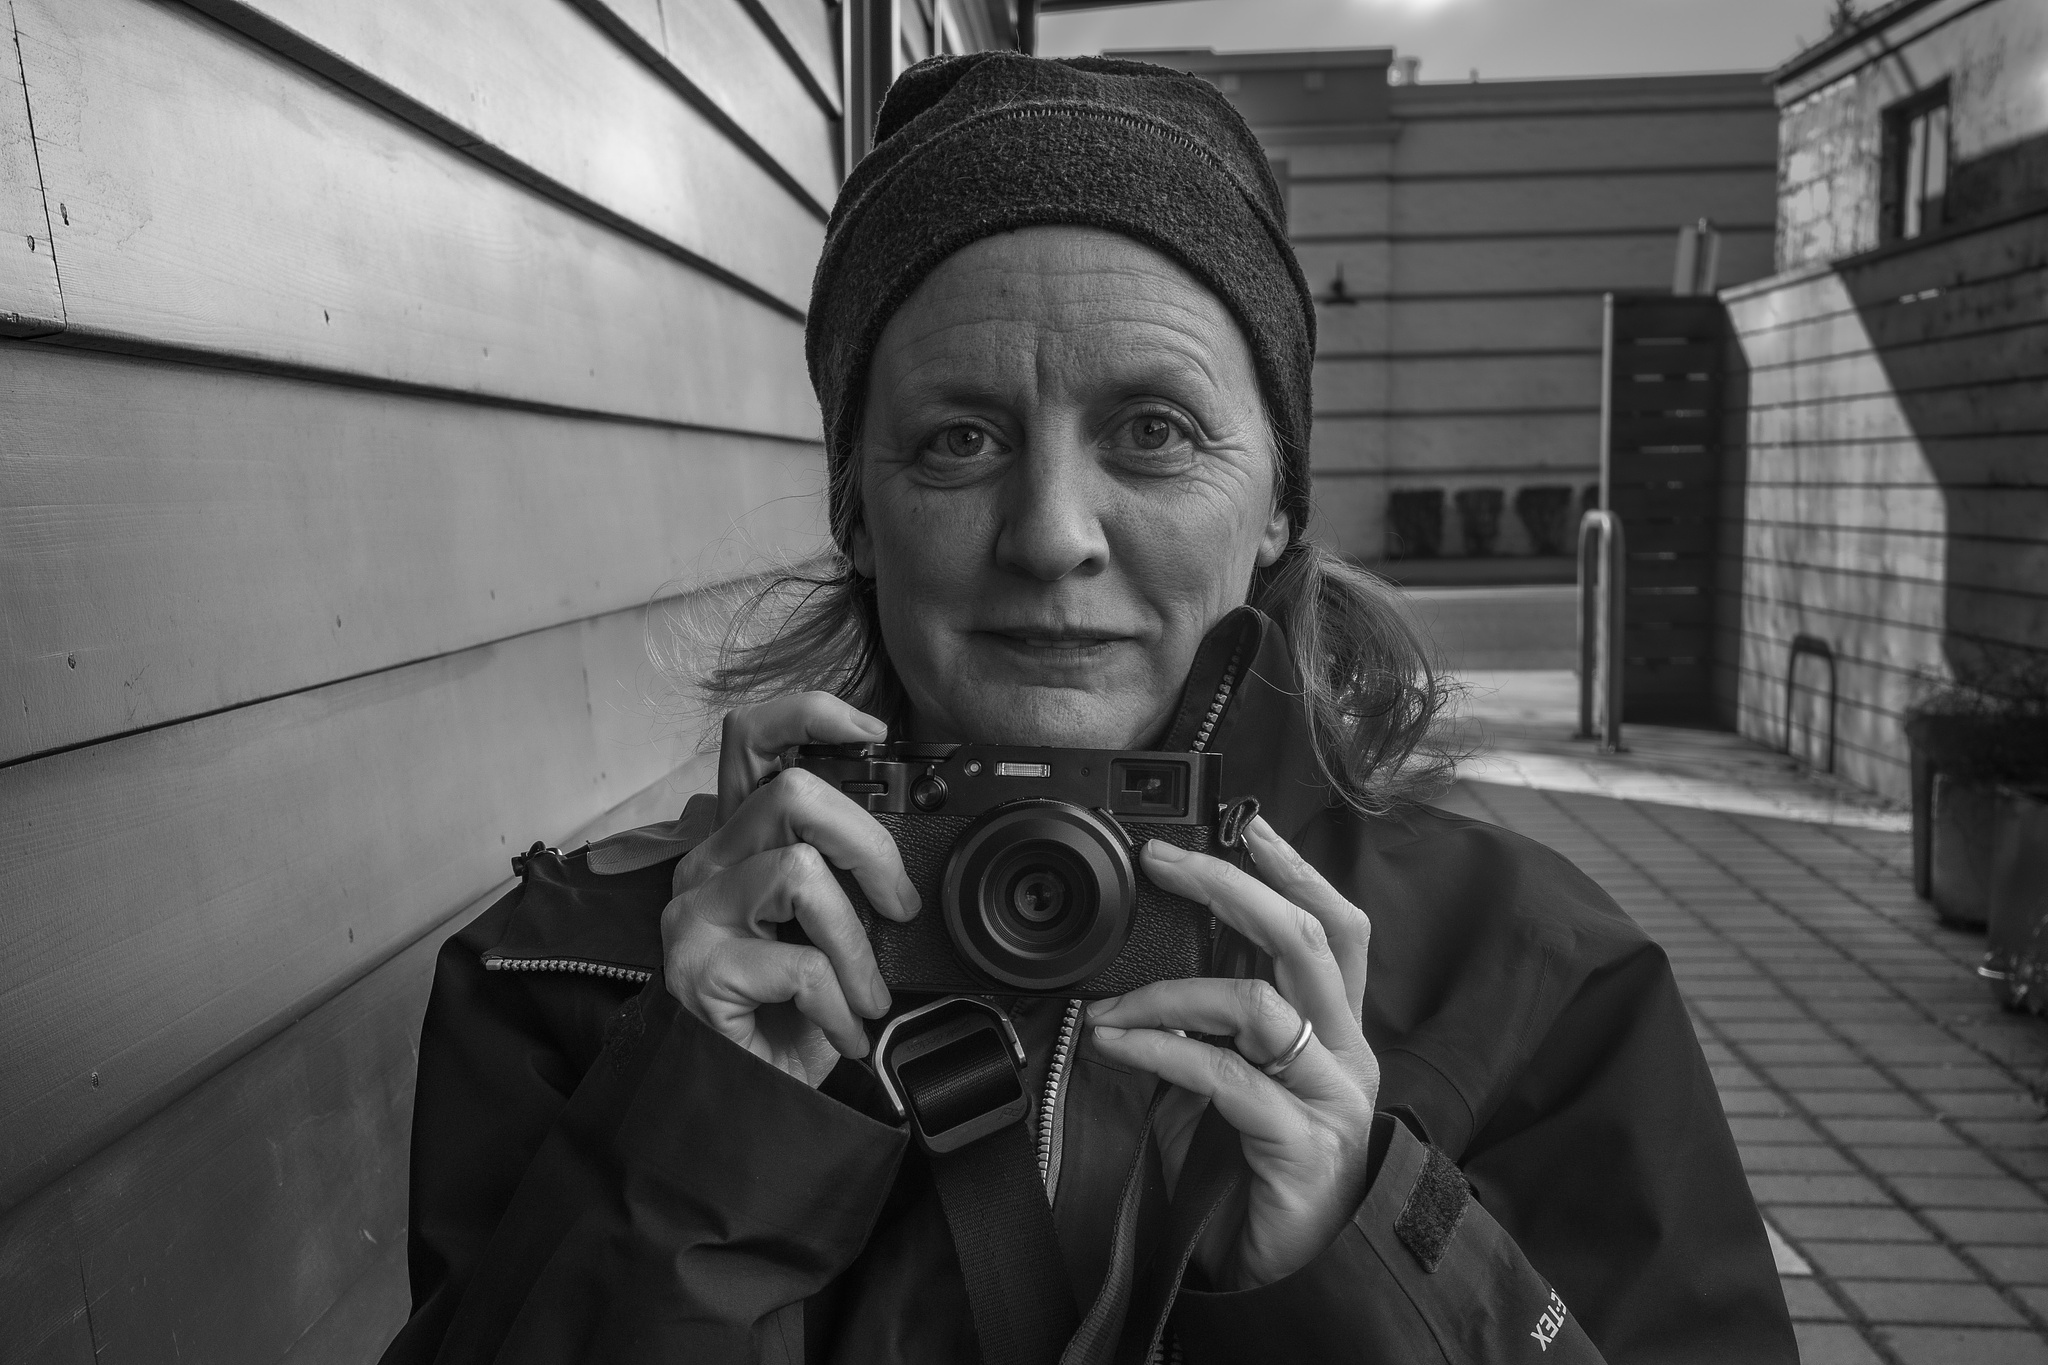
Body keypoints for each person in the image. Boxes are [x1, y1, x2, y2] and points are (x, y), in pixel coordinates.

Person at [380, 53, 1796, 1365]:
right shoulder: (580, 981)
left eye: (1154, 430)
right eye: (960, 437)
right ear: (855, 510)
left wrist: (1367, 1236)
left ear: (1279, 503)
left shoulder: (1538, 982)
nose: (1051, 531)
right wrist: (697, 1141)